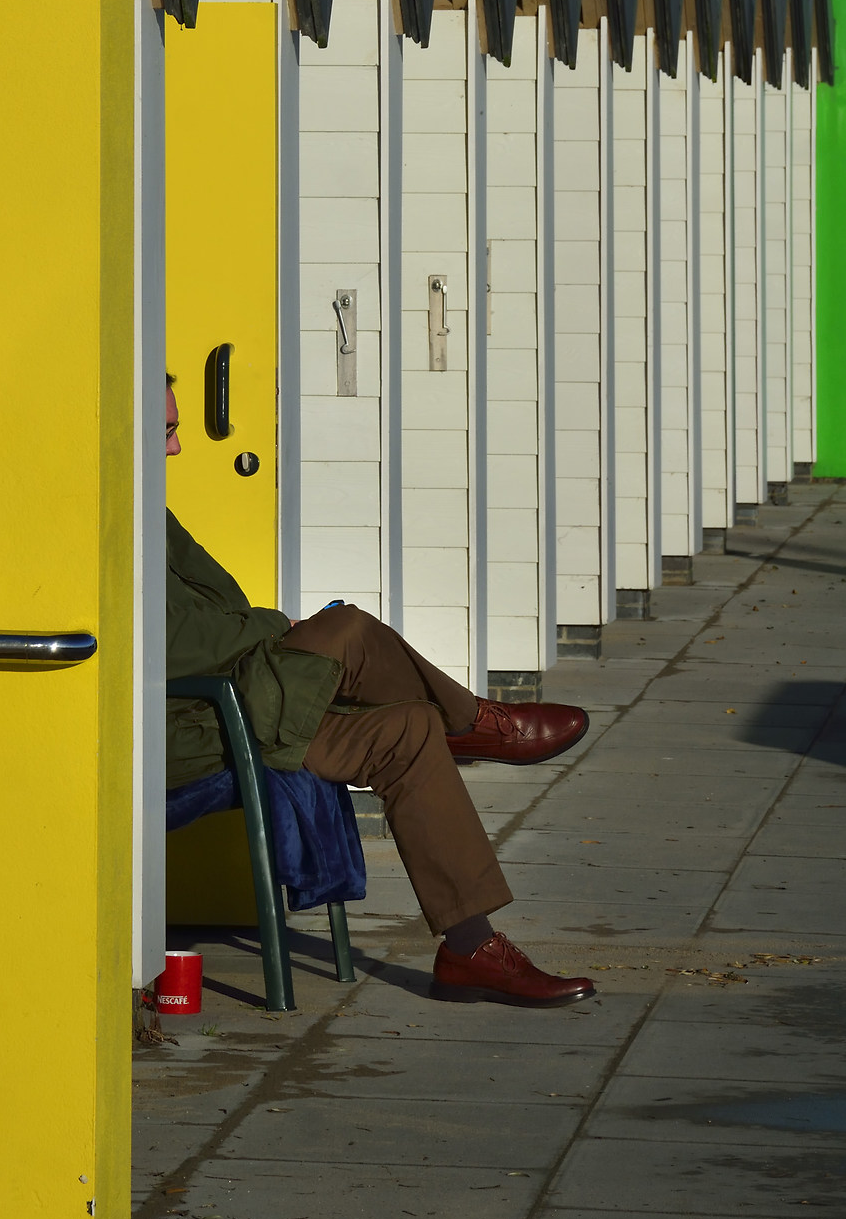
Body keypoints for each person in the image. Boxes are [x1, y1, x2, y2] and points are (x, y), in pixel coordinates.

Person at [164, 382, 594, 1007]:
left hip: (239, 701)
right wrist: (274, 628)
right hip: (193, 721)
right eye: (164, 432)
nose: (177, 449)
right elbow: (164, 639)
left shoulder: (151, 513)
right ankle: (478, 723)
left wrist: (259, 629)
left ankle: (470, 949)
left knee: (410, 728)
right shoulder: (95, 522)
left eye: (174, 429)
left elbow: (222, 608)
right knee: (349, 630)